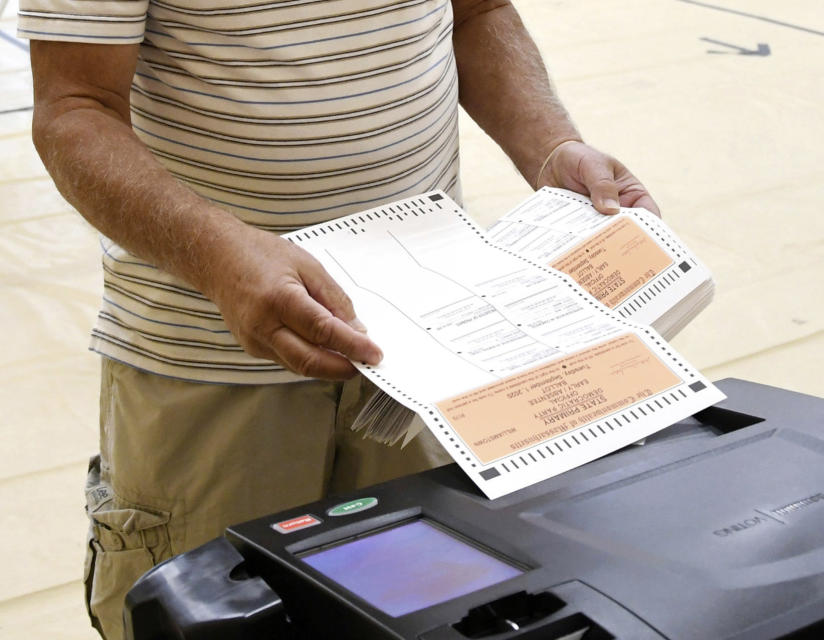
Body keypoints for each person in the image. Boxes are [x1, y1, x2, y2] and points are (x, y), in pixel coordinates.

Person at [20, 1, 660, 638]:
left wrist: (553, 146)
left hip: (430, 353)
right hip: (211, 363)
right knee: (214, 623)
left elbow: (476, 11)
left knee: (437, 618)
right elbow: (74, 108)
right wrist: (219, 258)